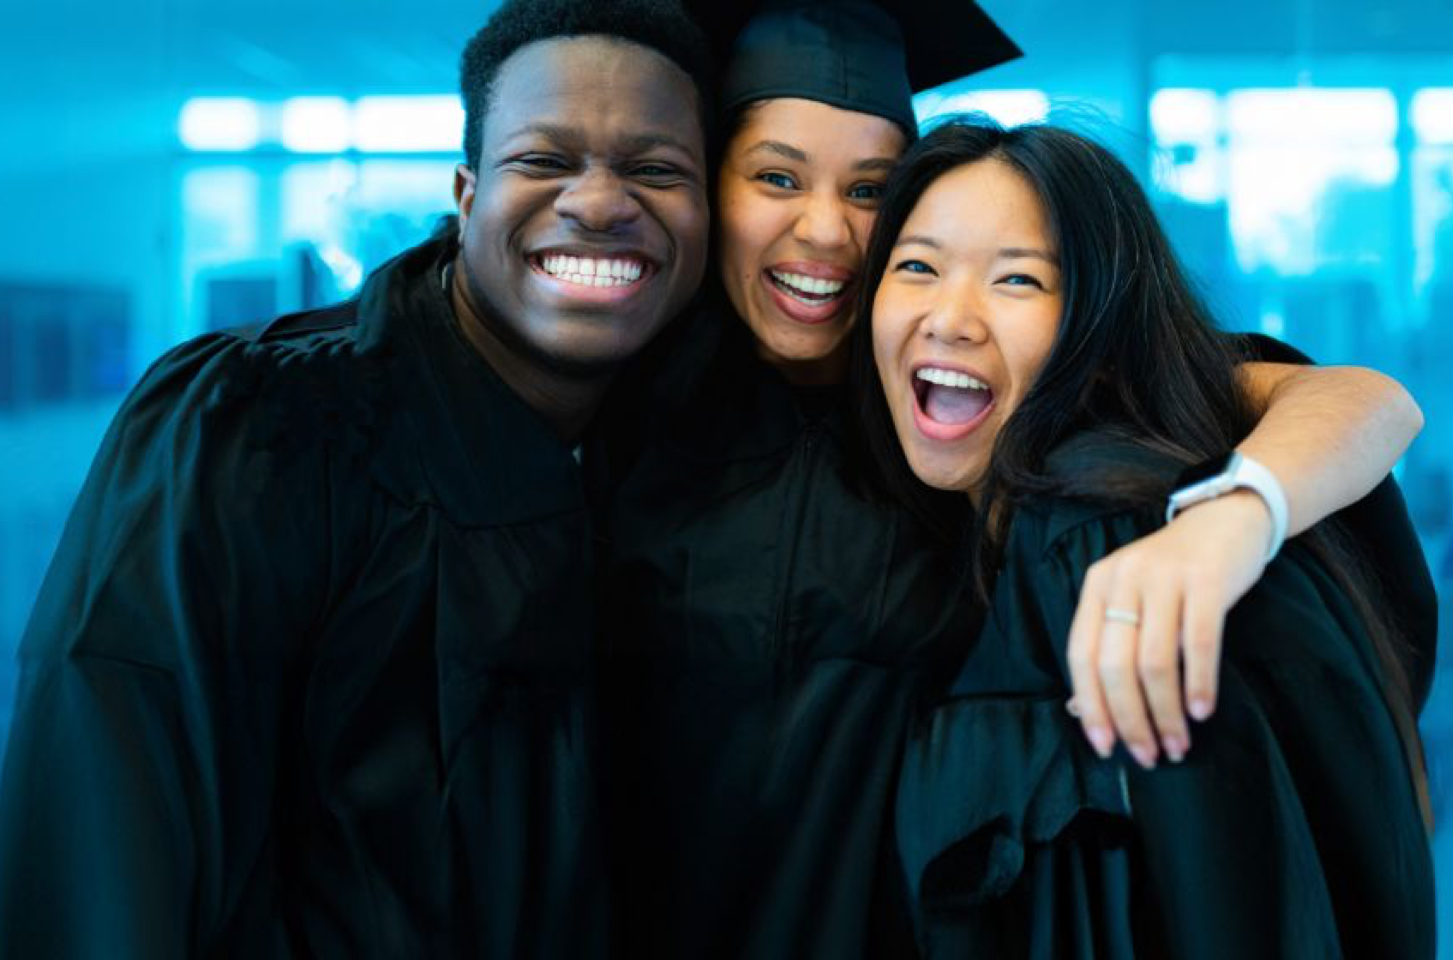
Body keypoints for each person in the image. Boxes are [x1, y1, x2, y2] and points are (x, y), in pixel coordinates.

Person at [588, 1, 1431, 956]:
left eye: (869, 192)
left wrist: (1226, 521)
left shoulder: (1058, 478)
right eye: (775, 176)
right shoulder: (637, 412)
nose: (824, 228)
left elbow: (1360, 401)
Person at [0, 0, 711, 955]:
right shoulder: (259, 422)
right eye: (542, 160)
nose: (599, 202)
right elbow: (105, 841)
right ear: (465, 197)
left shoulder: (664, 465)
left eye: (656, 170)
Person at [861, 118, 1435, 957]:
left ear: (1101, 339)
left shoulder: (1104, 541)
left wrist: (1229, 520)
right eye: (916, 266)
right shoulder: (1027, 519)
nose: (950, 317)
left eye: (1017, 281)